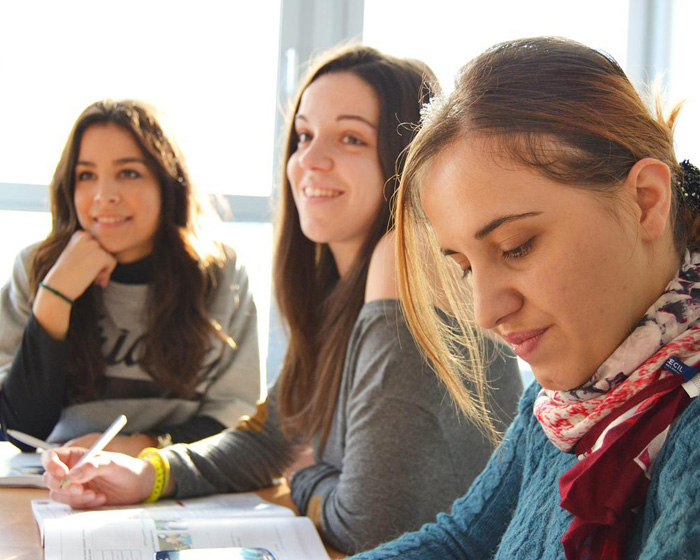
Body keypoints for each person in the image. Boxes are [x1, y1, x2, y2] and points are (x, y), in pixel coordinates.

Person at [40, 45, 523, 555]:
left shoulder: (406, 257)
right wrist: (148, 475)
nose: (309, 160)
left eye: (351, 138)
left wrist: (306, 477)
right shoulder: (335, 289)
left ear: (406, 160)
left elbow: (368, 525)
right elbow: (273, 438)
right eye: (304, 136)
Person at [345, 36, 700, 560]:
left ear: (645, 202)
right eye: (464, 267)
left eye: (516, 247)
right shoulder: (562, 403)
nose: (486, 312)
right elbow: (461, 541)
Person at [0, 99, 261, 457]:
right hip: (56, 485)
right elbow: (17, 429)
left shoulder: (219, 274)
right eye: (86, 175)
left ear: (167, 183)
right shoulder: (36, 267)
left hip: (178, 483)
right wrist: (54, 296)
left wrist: (140, 448)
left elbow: (234, 416)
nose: (104, 196)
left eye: (129, 173)